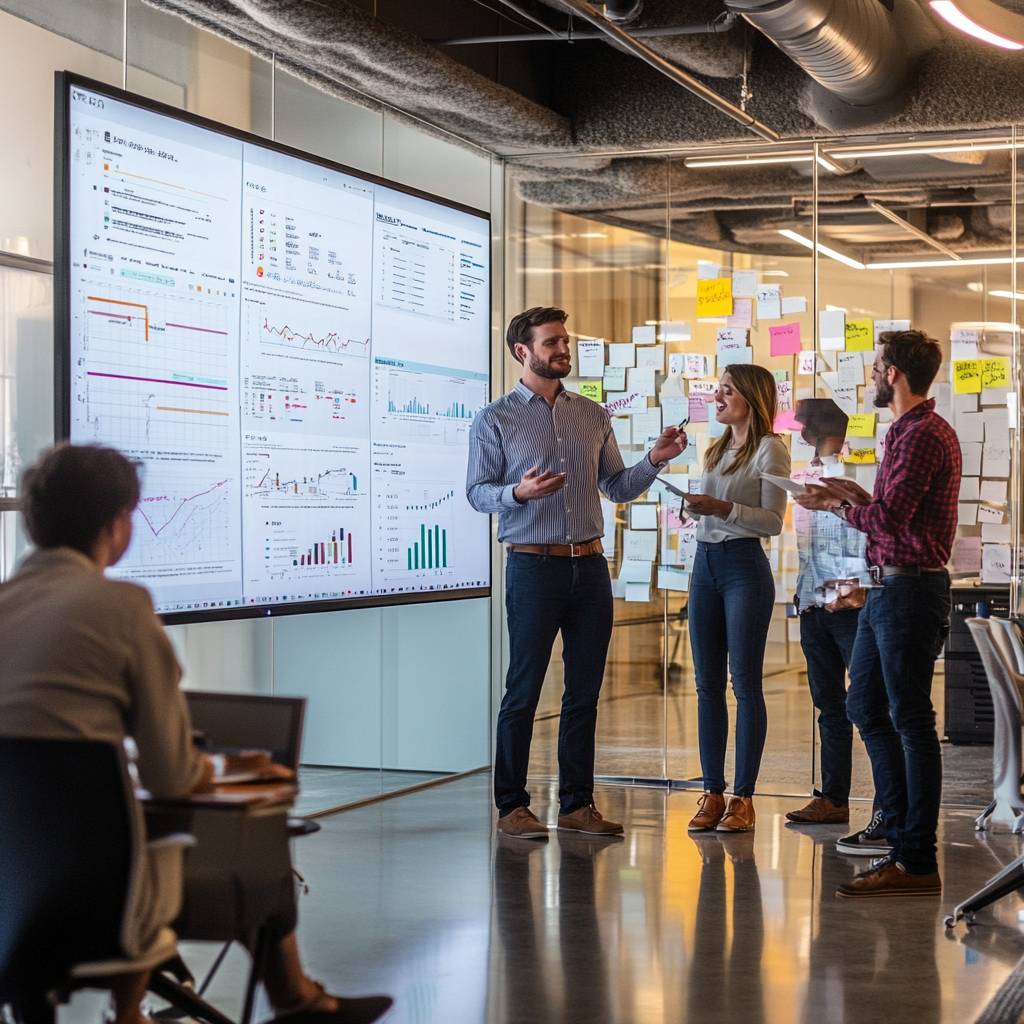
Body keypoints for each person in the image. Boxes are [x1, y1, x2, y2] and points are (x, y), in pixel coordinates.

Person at [0, 444, 392, 1024]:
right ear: (117, 523)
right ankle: (296, 1002)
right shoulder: (122, 607)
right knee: (260, 849)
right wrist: (217, 768)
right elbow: (171, 776)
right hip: (103, 893)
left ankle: (261, 1003)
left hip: (12, 891)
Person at [466, 307, 686, 839]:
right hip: (531, 567)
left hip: (589, 569)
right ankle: (512, 806)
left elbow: (616, 486)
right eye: (552, 342)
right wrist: (519, 492)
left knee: (584, 692)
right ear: (523, 352)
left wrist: (653, 460)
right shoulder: (494, 419)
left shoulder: (592, 415)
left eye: (565, 341)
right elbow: (477, 493)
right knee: (523, 689)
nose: (563, 349)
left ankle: (576, 805)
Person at [797, 329, 959, 898]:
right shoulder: (905, 432)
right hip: (887, 588)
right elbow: (891, 513)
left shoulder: (920, 435)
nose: (870, 375)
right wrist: (853, 497)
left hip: (910, 592)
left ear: (893, 373)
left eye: (875, 366)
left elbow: (889, 522)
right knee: (863, 702)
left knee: (911, 719)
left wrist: (837, 502)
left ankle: (916, 858)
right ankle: (895, 824)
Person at [684, 364, 790, 834]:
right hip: (704, 566)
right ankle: (712, 791)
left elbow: (772, 522)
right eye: (718, 388)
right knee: (706, 685)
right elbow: (715, 512)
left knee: (744, 684)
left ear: (750, 396)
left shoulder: (770, 448)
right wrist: (697, 510)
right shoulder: (715, 447)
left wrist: (722, 507)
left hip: (744, 568)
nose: (718, 395)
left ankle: (743, 798)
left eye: (727, 389)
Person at [785, 399, 887, 855]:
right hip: (813, 604)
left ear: (812, 430)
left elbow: (867, 537)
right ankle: (832, 797)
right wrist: (806, 592)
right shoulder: (807, 475)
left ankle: (887, 805)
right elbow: (812, 544)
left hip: (851, 607)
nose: (798, 432)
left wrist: (850, 590)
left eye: (801, 425)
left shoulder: (858, 472)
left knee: (870, 709)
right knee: (829, 706)